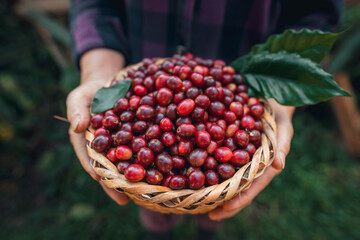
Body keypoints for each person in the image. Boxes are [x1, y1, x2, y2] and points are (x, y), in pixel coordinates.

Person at [66, 0, 341, 238]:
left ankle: (206, 228)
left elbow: (317, 11)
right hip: (135, 64)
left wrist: (281, 97)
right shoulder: (152, 102)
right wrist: (99, 72)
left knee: (216, 197)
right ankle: (158, 228)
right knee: (154, 195)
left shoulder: (215, 109)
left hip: (243, 75)